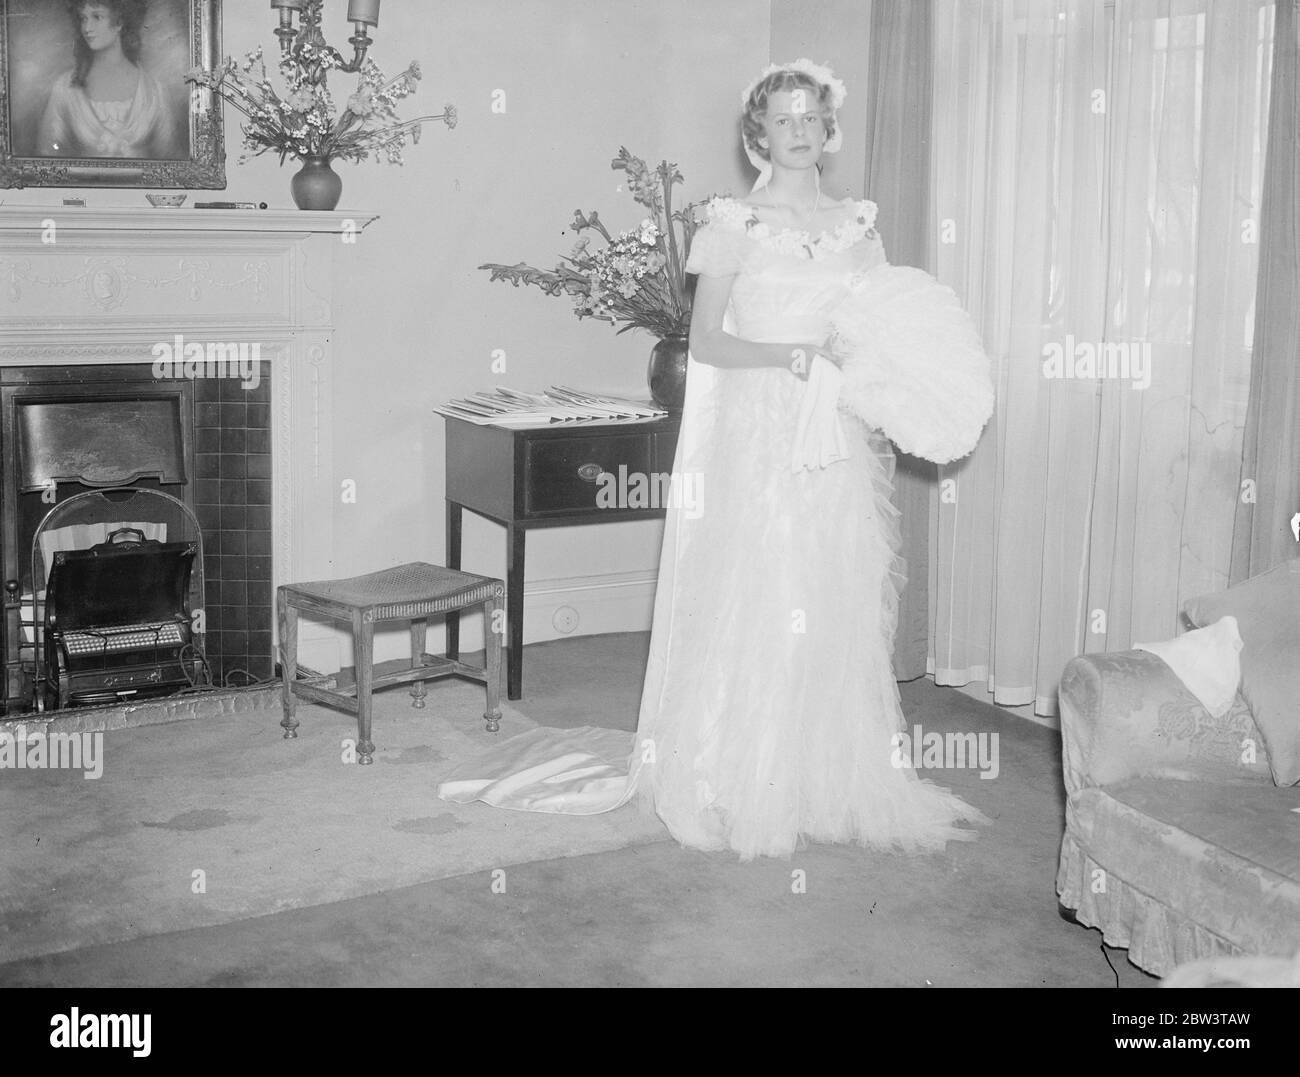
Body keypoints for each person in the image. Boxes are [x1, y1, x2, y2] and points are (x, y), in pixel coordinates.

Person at [439, 59, 990, 861]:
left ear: (827, 128)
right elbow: (708, 343)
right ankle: (739, 771)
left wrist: (867, 375)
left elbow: (878, 323)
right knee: (758, 589)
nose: (799, 130)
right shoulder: (733, 222)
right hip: (757, 433)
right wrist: (800, 353)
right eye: (783, 118)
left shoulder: (857, 226)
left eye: (812, 117)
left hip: (829, 434)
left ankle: (819, 774)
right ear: (756, 133)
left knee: (830, 587)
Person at [36, 0, 181, 159]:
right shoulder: (65, 87)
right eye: (83, 18)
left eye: (97, 17)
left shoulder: (154, 90)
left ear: (119, 22)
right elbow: (47, 156)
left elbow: (170, 160)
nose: (87, 28)